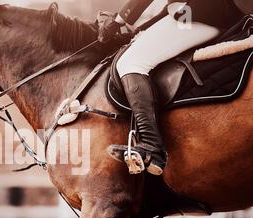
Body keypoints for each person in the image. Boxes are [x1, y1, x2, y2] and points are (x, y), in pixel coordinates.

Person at [99, 0, 244, 175]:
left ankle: (151, 145)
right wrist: (139, 29)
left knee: (131, 62)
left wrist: (118, 21)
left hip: (198, 13)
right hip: (201, 12)